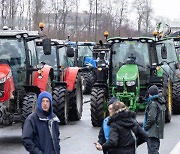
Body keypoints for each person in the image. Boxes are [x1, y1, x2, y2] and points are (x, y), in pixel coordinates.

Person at [143, 85, 166, 154]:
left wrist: (145, 127)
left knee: (152, 151)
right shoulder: (161, 102)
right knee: (154, 149)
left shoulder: (153, 104)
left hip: (152, 132)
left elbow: (151, 118)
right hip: (157, 132)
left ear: (150, 94)